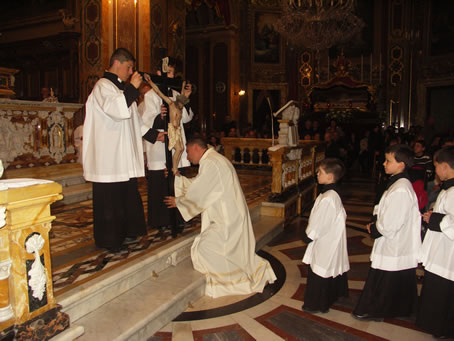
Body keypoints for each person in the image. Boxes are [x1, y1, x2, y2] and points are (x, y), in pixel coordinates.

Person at [163, 137, 277, 298]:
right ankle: (254, 273)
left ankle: (237, 280)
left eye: (187, 152)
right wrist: (176, 177)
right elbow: (200, 184)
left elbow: (201, 190)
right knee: (225, 250)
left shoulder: (211, 163)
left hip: (227, 219)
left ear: (196, 148)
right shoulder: (213, 160)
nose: (187, 157)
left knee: (205, 248)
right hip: (230, 215)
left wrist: (180, 202)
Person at [83, 48, 166, 252]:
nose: (130, 72)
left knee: (126, 196)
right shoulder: (103, 86)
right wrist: (134, 88)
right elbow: (117, 110)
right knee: (110, 201)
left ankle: (128, 232)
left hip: (122, 158)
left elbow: (133, 120)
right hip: (109, 159)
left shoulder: (120, 90)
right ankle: (110, 239)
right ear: (117, 64)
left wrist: (154, 135)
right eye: (129, 67)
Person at [352, 144, 421, 321]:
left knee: (387, 278)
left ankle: (376, 309)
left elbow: (392, 222)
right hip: (392, 240)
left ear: (401, 165)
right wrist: (376, 219)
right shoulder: (397, 183)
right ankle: (398, 308)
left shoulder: (401, 189)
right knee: (393, 277)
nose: (384, 163)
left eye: (388, 161)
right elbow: (384, 208)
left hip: (394, 243)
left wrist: (376, 228)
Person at [139, 57, 193, 238]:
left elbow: (186, 118)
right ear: (159, 73)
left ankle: (179, 217)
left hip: (176, 142)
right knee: (161, 184)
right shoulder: (150, 95)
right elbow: (144, 121)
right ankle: (161, 220)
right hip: (160, 146)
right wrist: (158, 119)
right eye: (167, 72)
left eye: (172, 73)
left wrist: (185, 99)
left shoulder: (175, 92)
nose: (171, 76)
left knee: (177, 181)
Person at [301, 158, 349, 314]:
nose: (317, 174)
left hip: (325, 241)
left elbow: (320, 222)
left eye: (320, 172)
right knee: (325, 267)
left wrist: (309, 235)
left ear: (330, 177)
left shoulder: (329, 198)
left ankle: (316, 304)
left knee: (321, 269)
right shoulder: (331, 193)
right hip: (329, 239)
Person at [416, 146, 454, 339]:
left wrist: (437, 219)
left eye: (437, 166)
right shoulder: (448, 188)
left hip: (448, 253)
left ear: (446, 167)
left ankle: (444, 328)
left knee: (444, 290)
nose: (435, 170)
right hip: (441, 247)